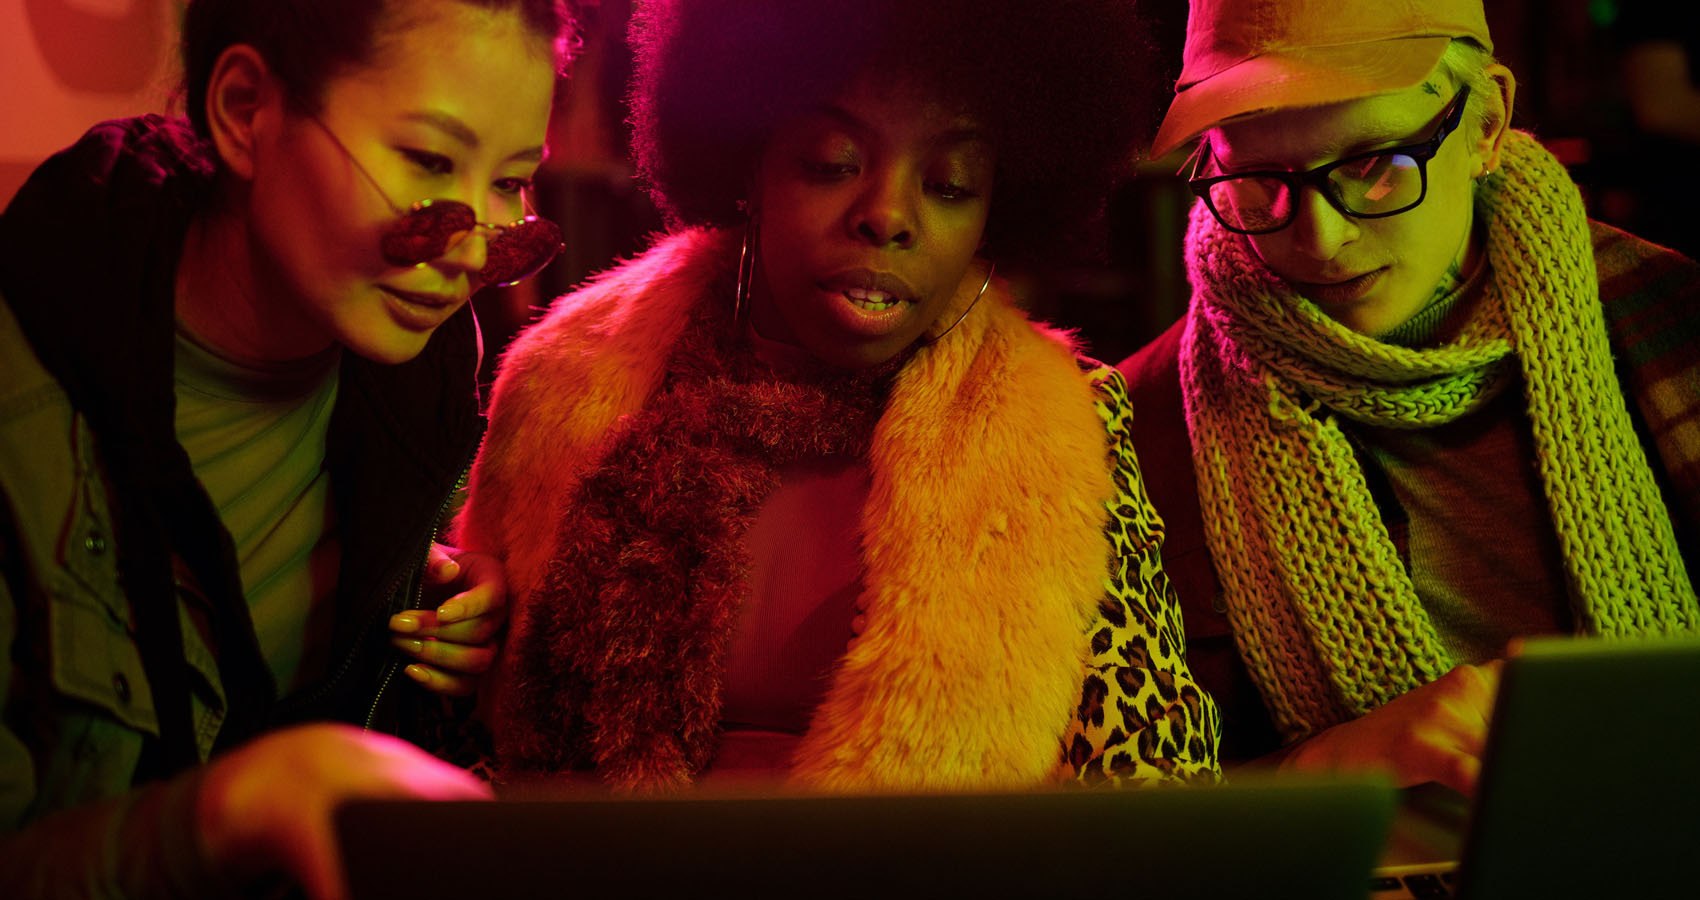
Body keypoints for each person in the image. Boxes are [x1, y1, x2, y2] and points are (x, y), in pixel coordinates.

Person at [455, 0, 1220, 792]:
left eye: (948, 184)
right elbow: (458, 747)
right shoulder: (566, 380)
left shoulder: (1067, 431)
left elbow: (1153, 790)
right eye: (832, 162)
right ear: (750, 165)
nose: (887, 216)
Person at [0, 0, 575, 896]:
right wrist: (239, 806)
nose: (470, 254)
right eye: (430, 162)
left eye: (510, 183)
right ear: (244, 111)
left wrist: (455, 593)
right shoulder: (22, 398)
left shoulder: (422, 363)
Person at [1119, 0, 1700, 797]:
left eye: (1373, 165)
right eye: (1258, 180)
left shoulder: (1674, 324)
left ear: (1486, 123)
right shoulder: (1128, 432)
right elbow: (1103, 823)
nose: (1320, 238)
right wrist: (1322, 769)